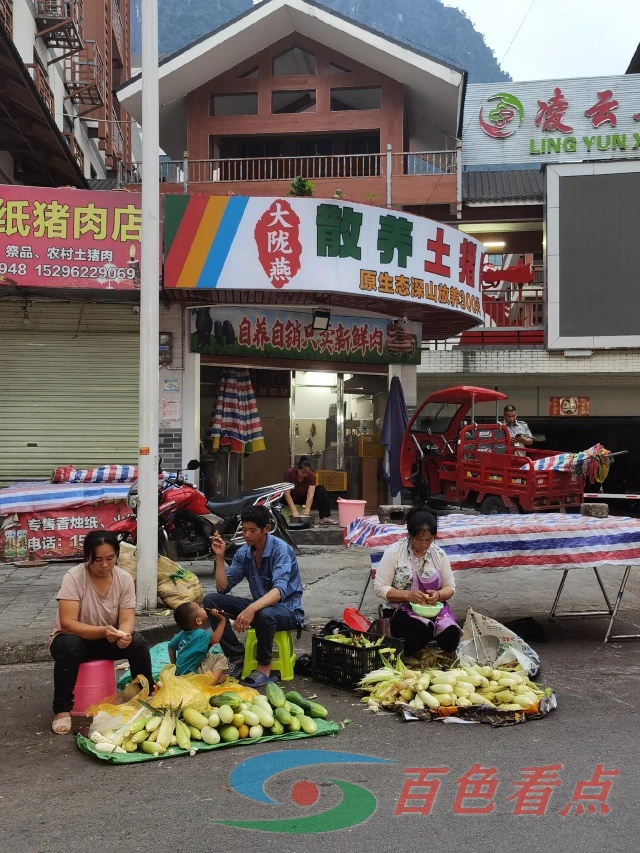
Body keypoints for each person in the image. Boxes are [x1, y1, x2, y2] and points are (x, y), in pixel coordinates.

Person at [49, 530, 153, 735]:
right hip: (73, 640)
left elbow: (127, 618)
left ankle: (146, 696)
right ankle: (62, 710)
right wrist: (102, 631)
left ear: (117, 555)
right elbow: (68, 624)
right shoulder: (74, 577)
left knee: (138, 642)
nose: (105, 565)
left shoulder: (123, 579)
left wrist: (124, 635)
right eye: (98, 560)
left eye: (110, 558)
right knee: (69, 644)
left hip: (106, 639)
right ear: (88, 557)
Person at [204, 506, 304, 687]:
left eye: (252, 531)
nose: (247, 535)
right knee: (211, 600)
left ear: (265, 528)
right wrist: (219, 557)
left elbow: (279, 591)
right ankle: (236, 656)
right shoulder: (244, 552)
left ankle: (264, 666)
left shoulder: (281, 550)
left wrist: (251, 608)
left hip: (287, 610)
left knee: (265, 613)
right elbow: (223, 587)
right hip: (261, 607)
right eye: (243, 530)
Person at [373, 506, 461, 657]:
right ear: (410, 535)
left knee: (452, 635)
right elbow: (380, 587)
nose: (424, 544)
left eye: (429, 540)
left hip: (433, 609)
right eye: (420, 539)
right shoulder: (394, 552)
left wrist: (438, 595)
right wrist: (408, 596)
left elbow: (450, 587)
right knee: (420, 631)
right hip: (399, 610)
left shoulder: (438, 555)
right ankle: (406, 654)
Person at [167, 602, 228, 683]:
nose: (203, 608)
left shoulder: (182, 633)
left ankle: (213, 677)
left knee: (208, 656)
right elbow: (215, 640)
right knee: (221, 658)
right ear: (198, 621)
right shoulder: (201, 634)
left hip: (180, 673)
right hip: (193, 675)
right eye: (199, 608)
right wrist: (222, 621)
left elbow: (170, 646)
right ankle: (211, 682)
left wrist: (174, 664)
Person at [284, 457, 336, 525]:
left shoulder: (312, 476)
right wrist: (294, 511)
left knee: (321, 490)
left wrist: (306, 512)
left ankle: (323, 518)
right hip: (291, 496)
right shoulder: (289, 473)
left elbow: (310, 495)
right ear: (298, 469)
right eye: (303, 472)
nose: (305, 475)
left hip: (303, 496)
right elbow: (287, 494)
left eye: (307, 473)